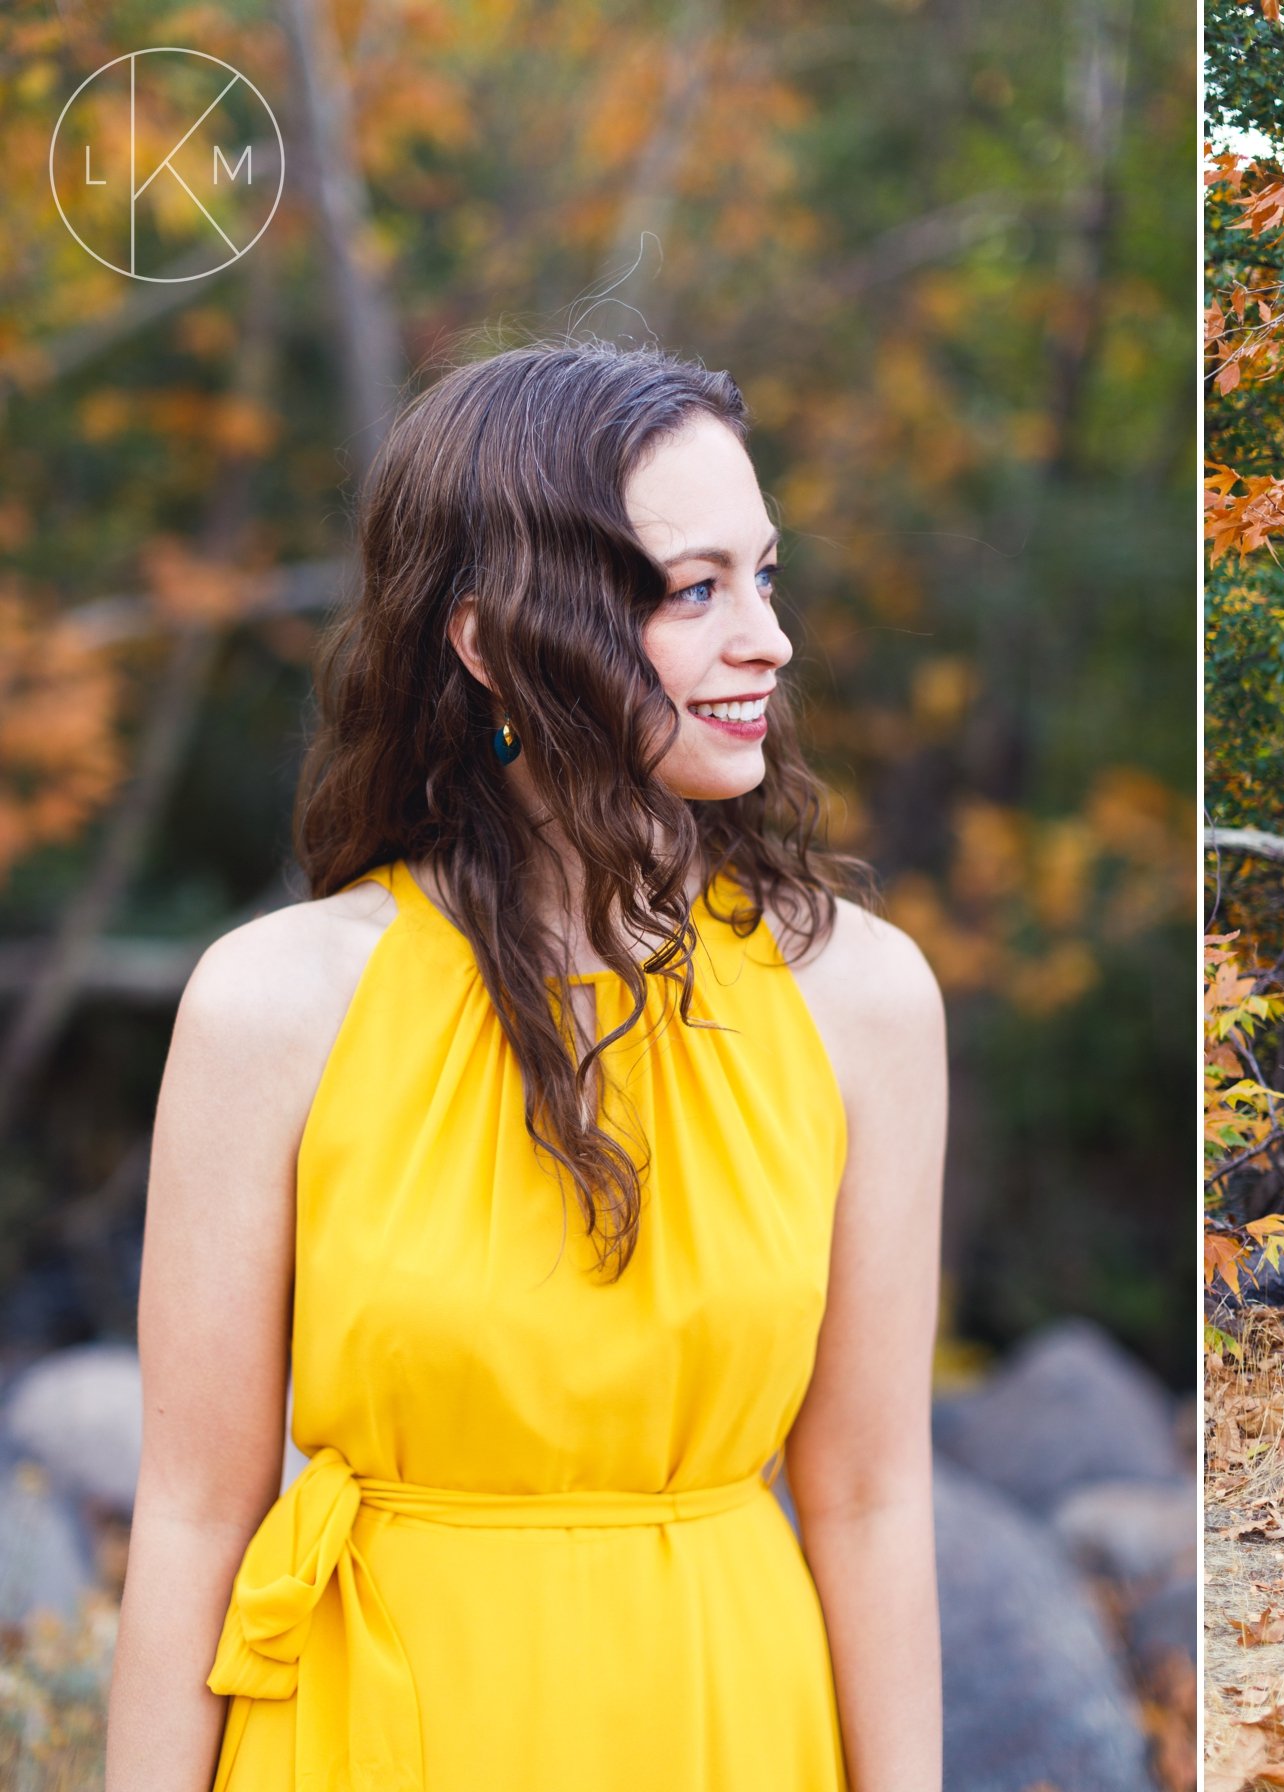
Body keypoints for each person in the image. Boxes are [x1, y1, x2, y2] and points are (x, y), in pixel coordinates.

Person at [104, 339, 947, 1791]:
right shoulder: (273, 1006)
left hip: (721, 1726)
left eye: (764, 574)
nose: (768, 640)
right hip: (376, 1730)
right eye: (694, 590)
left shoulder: (860, 1000)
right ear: (491, 642)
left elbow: (868, 1500)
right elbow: (191, 1511)